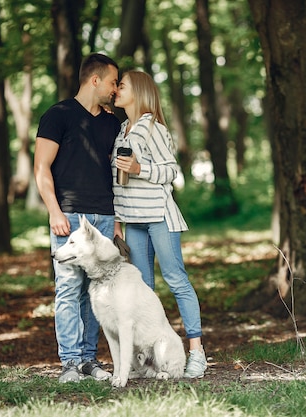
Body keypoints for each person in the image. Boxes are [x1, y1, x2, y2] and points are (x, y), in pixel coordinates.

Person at [112, 70, 207, 378]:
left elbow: (170, 171)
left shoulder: (152, 126)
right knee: (143, 290)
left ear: (138, 92)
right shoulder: (123, 129)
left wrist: (140, 168)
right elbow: (116, 183)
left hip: (159, 217)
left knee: (176, 280)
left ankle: (196, 354)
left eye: (122, 86)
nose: (116, 90)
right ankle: (147, 359)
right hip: (134, 221)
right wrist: (117, 220)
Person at [34, 53, 121, 383]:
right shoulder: (57, 115)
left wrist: (117, 223)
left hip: (104, 217)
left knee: (96, 292)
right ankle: (69, 363)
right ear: (95, 80)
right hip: (69, 216)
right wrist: (54, 211)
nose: (116, 89)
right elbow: (41, 168)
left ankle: (88, 359)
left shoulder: (112, 122)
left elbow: (112, 173)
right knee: (69, 289)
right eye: (113, 82)